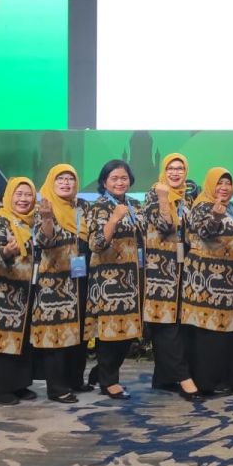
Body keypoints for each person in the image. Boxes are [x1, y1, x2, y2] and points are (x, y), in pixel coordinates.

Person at [0, 177, 42, 405]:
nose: (23, 199)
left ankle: (20, 384)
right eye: (19, 194)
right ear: (9, 196)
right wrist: (6, 251)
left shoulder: (32, 221)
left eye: (28, 194)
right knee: (1, 339)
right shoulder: (0, 219)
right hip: (1, 291)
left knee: (21, 338)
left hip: (26, 290)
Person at [183, 167, 233, 396]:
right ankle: (207, 382)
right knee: (209, 334)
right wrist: (215, 218)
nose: (224, 187)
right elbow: (203, 232)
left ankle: (228, 380)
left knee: (225, 333)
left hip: (230, 282)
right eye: (219, 183)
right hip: (207, 281)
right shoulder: (201, 206)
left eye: (228, 183)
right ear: (210, 184)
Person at [140, 153, 199, 399]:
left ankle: (163, 378)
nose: (175, 173)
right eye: (171, 168)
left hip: (185, 270)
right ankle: (183, 377)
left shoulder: (189, 197)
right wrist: (165, 199)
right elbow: (165, 226)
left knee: (179, 326)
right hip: (160, 272)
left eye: (180, 168)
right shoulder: (153, 195)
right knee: (165, 325)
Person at [86, 160, 143, 400]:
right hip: (107, 280)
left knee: (128, 333)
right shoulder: (99, 207)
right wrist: (114, 219)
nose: (120, 182)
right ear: (104, 182)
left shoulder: (135, 205)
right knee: (109, 333)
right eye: (114, 178)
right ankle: (109, 382)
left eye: (124, 178)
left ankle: (100, 373)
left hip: (132, 279)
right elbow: (96, 244)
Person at [39, 164, 94, 394]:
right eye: (60, 178)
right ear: (51, 182)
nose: (65, 183)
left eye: (70, 178)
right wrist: (47, 220)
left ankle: (75, 380)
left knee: (79, 331)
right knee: (57, 333)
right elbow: (44, 242)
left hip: (81, 278)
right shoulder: (43, 207)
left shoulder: (83, 206)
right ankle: (57, 387)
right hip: (55, 281)